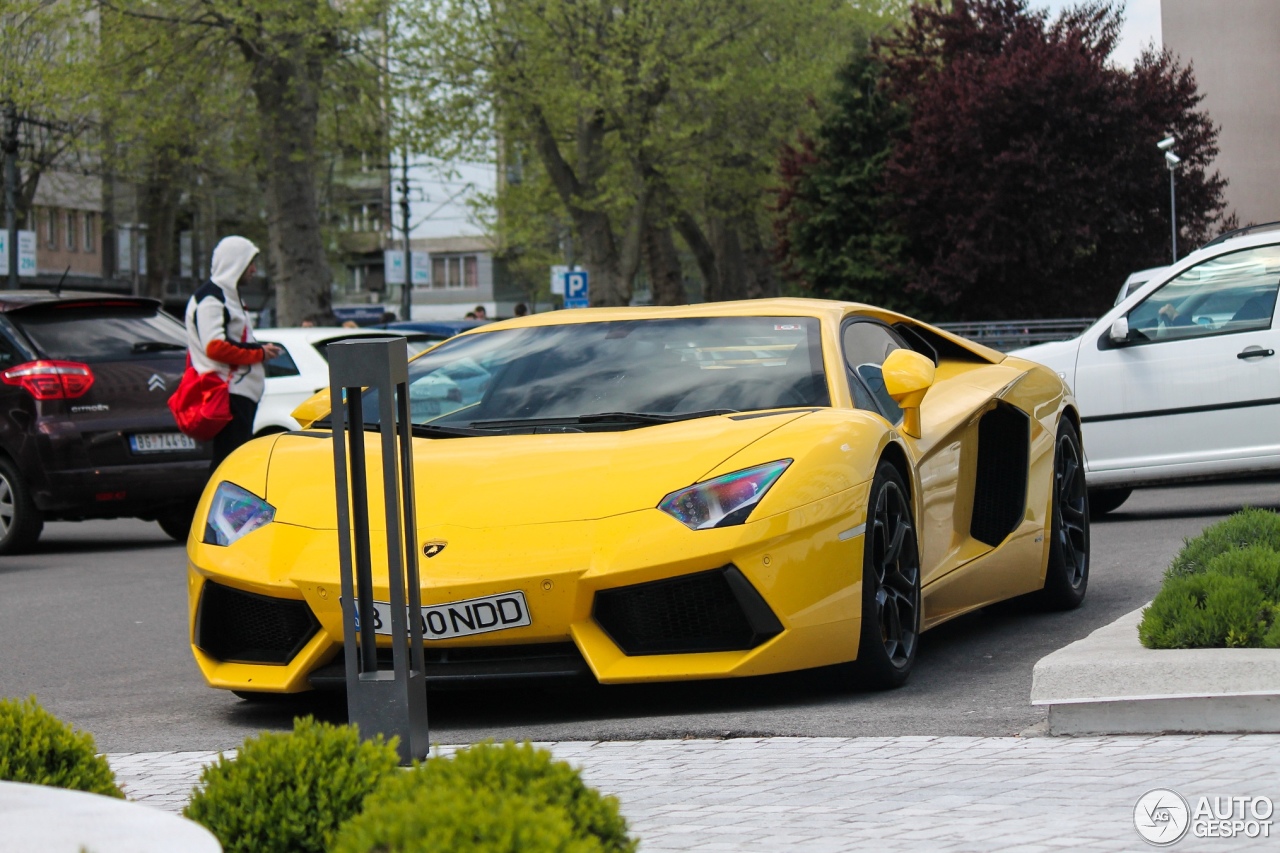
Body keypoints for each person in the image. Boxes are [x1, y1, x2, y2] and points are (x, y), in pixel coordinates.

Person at [184, 236, 281, 473]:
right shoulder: (212, 297)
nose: (254, 270)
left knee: (232, 462)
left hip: (236, 393)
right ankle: (221, 510)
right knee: (229, 464)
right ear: (236, 262)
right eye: (250, 264)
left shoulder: (225, 295)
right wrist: (259, 352)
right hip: (228, 393)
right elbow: (215, 347)